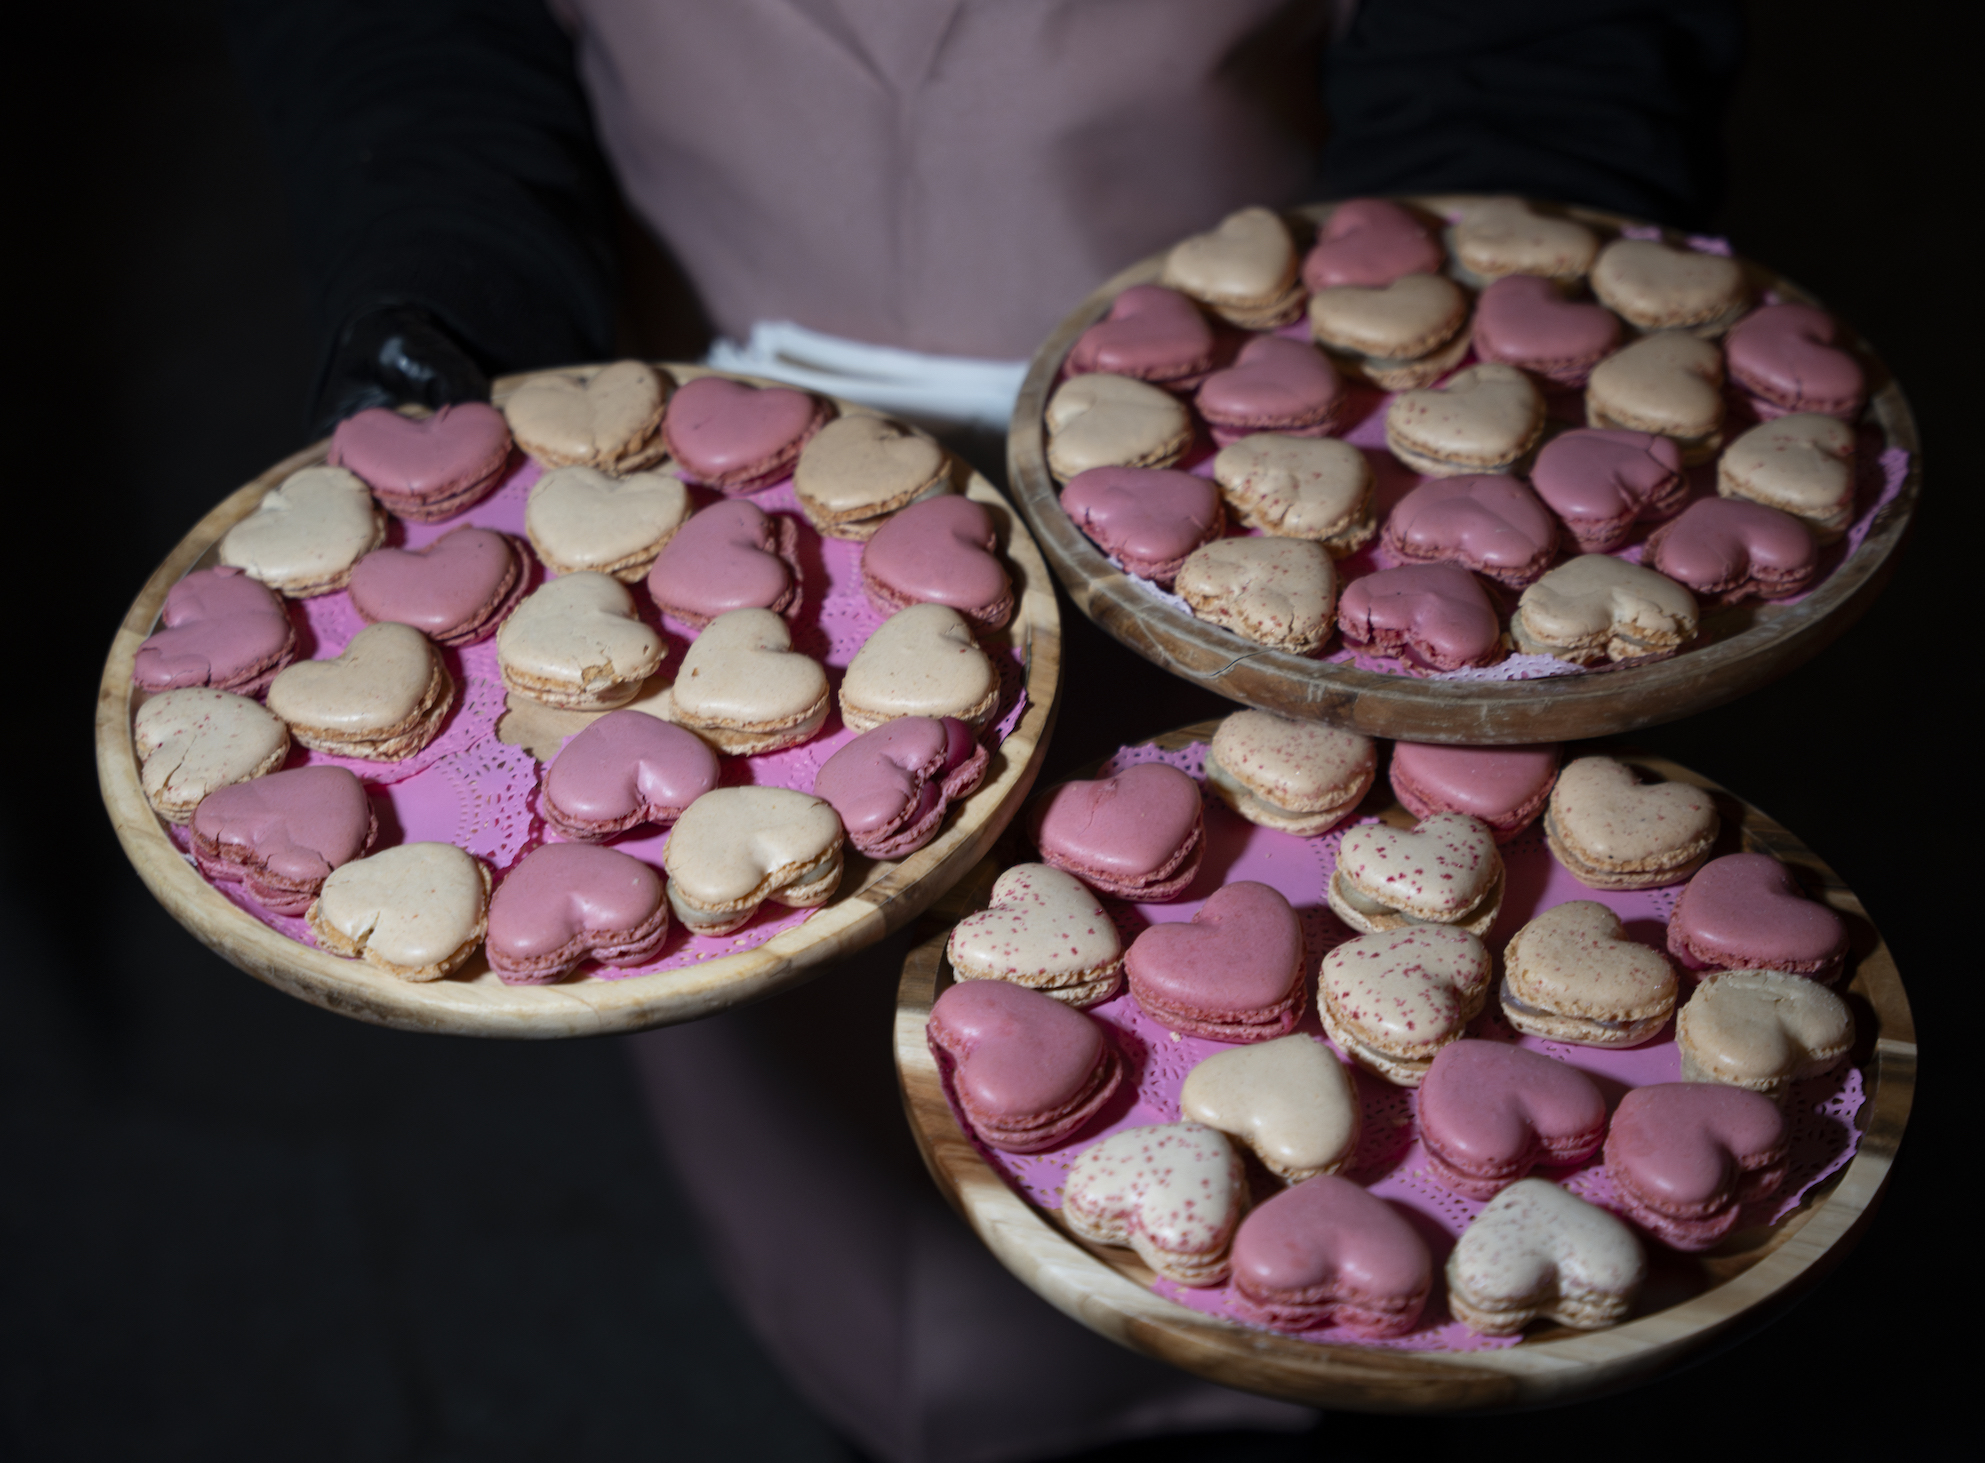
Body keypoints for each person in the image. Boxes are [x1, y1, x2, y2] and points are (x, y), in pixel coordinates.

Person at [224, 4, 1741, 1459]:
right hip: (700, 577)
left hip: (1295, 526)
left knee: (1358, 1253)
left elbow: (1541, 51)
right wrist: (446, 284)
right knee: (837, 1189)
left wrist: (1496, 327)